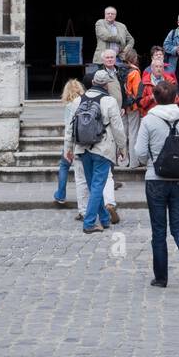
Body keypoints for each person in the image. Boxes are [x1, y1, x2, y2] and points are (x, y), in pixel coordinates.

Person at [135, 79, 179, 290]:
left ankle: (161, 277)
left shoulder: (148, 120)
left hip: (156, 179)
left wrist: (153, 160)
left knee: (158, 231)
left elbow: (140, 153)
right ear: (176, 98)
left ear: (155, 99)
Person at [64, 68, 126, 234]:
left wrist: (68, 148)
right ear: (106, 85)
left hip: (82, 148)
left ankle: (104, 219)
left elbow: (70, 128)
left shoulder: (78, 101)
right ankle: (90, 223)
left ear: (92, 83)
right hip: (103, 148)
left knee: (94, 186)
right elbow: (118, 128)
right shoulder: (110, 101)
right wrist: (122, 147)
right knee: (98, 185)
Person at [54, 77, 85, 206]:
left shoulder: (69, 106)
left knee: (64, 166)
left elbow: (68, 127)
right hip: (84, 139)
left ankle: (61, 194)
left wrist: (67, 148)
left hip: (72, 141)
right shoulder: (84, 102)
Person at [138, 46, 178, 116]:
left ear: (163, 68)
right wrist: (151, 97)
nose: (158, 69)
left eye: (160, 67)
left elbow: (178, 99)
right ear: (151, 68)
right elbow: (139, 103)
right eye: (156, 67)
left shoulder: (170, 80)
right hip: (150, 114)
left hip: (167, 114)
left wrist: (166, 97)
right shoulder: (144, 81)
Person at [121, 48, 143, 169]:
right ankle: (134, 161)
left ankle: (123, 161)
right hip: (132, 107)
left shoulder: (119, 70)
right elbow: (137, 92)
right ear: (134, 58)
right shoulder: (134, 72)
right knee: (133, 133)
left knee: (123, 134)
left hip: (122, 106)